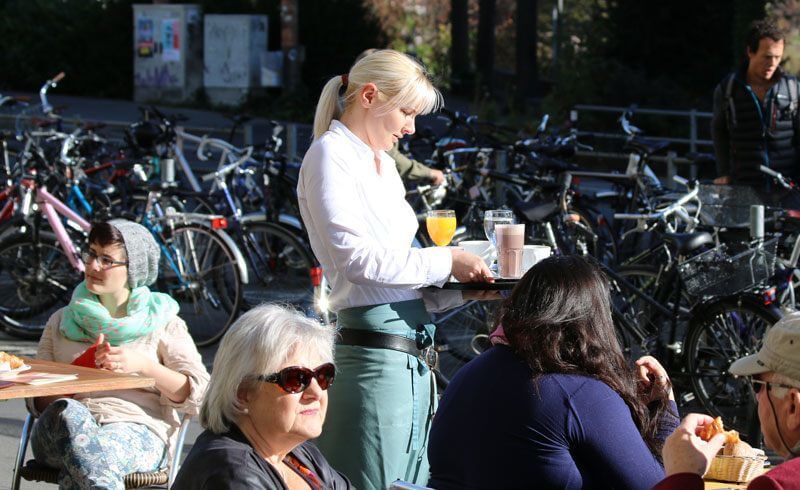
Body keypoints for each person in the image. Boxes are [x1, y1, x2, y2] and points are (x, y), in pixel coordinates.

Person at [297, 48, 492, 489]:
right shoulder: (331, 155)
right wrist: (446, 261)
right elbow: (356, 260)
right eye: (407, 112)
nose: (411, 127)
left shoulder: (380, 162)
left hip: (409, 354)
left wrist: (460, 289)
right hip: (376, 357)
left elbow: (395, 279)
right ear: (369, 95)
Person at [427, 255, 680, 489]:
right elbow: (658, 485)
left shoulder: (467, 374)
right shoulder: (580, 395)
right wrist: (665, 406)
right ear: (593, 321)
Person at [27, 220, 209, 489]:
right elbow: (36, 403)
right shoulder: (62, 320)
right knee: (69, 414)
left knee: (91, 461)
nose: (93, 266)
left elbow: (201, 394)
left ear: (133, 269)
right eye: (91, 253)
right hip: (58, 431)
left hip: (135, 426)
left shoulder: (162, 322)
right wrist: (78, 374)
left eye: (106, 259)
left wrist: (145, 367)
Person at [172, 304, 352, 489]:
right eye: (295, 379)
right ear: (243, 392)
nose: (315, 392)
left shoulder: (296, 453)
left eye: (323, 375)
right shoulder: (232, 474)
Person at [655, 314, 800, 489]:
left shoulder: (776, 485)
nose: (756, 397)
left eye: (757, 385)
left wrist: (681, 476)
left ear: (793, 407)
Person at [711, 20, 800, 199]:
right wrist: (723, 172)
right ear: (750, 52)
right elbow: (719, 132)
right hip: (743, 189)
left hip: (787, 190)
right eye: (767, 57)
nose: (773, 63)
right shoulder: (728, 89)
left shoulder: (792, 89)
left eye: (777, 57)